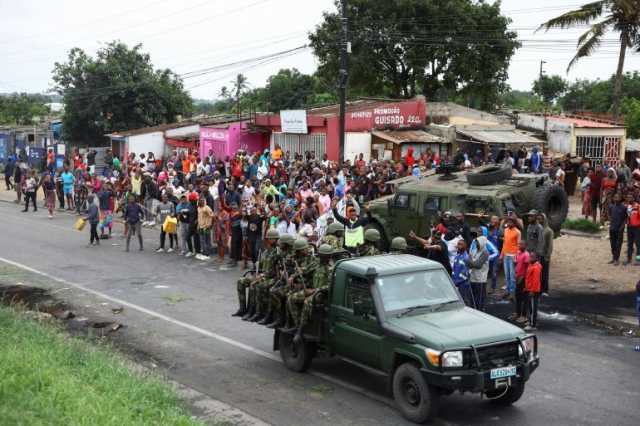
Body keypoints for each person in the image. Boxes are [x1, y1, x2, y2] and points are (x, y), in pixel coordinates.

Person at [292, 244, 334, 343]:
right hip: (311, 290)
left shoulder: (331, 268)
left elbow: (330, 286)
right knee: (291, 298)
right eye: (322, 256)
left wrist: (315, 290)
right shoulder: (316, 263)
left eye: (325, 256)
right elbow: (305, 270)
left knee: (307, 302)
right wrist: (297, 273)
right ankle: (298, 324)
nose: (323, 258)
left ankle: (300, 331)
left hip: (321, 294)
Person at [467, 233, 489, 310]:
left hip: (481, 280)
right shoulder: (475, 250)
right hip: (473, 277)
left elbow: (478, 265)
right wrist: (470, 262)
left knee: (479, 299)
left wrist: (469, 262)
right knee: (472, 297)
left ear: (482, 243)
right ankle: (474, 310)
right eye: (476, 242)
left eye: (478, 242)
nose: (476, 244)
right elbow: (470, 262)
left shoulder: (485, 252)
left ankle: (480, 311)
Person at [500, 217, 521, 298]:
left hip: (513, 256)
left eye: (511, 222)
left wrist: (516, 257)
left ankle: (512, 292)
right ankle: (507, 290)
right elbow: (504, 243)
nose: (509, 224)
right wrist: (501, 255)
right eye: (508, 222)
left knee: (512, 275)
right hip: (505, 255)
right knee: (507, 274)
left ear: (514, 223)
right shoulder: (505, 230)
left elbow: (518, 245)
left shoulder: (517, 232)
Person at [524, 252, 543, 331]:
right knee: (531, 307)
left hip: (534, 291)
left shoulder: (536, 267)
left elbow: (536, 281)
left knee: (533, 307)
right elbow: (528, 278)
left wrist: (532, 291)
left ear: (537, 258)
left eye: (532, 257)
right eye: (530, 257)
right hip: (530, 289)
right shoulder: (531, 265)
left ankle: (533, 324)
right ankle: (531, 321)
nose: (530, 258)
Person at [608, 193, 627, 265]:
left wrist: (622, 226)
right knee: (612, 244)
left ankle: (616, 259)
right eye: (615, 197)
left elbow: (626, 218)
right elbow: (609, 214)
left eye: (618, 197)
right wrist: (610, 220)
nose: (616, 198)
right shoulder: (611, 206)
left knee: (618, 244)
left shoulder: (624, 207)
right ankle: (613, 258)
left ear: (621, 198)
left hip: (619, 229)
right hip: (612, 228)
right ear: (613, 198)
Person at [451, 239, 472, 306]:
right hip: (456, 283)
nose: (458, 246)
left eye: (460, 244)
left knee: (465, 301)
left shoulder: (466, 258)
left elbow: (464, 274)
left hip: (463, 284)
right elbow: (454, 270)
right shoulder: (457, 256)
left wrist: (456, 282)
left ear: (465, 246)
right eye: (458, 244)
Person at [538, 213, 554, 295]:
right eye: (538, 219)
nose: (539, 221)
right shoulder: (538, 229)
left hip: (544, 255)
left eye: (541, 219)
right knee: (538, 273)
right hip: (538, 255)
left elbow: (550, 245)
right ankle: (539, 289)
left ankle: (545, 290)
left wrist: (547, 256)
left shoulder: (548, 231)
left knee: (544, 273)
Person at [514, 240, 530, 323]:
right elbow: (517, 264)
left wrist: (523, 277)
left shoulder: (526, 255)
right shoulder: (518, 253)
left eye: (521, 244)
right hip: (517, 277)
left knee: (524, 298)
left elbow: (527, 268)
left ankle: (524, 316)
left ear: (525, 245)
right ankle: (517, 313)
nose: (519, 245)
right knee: (517, 296)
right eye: (519, 244)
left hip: (523, 279)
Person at [626, 196, 640, 265]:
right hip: (629, 227)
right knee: (629, 244)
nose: (629, 199)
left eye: (631, 197)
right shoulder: (627, 206)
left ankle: (638, 260)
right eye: (628, 198)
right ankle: (629, 259)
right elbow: (627, 216)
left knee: (638, 244)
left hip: (637, 227)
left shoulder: (638, 206)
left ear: (634, 198)